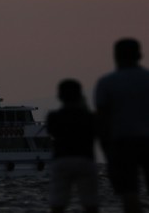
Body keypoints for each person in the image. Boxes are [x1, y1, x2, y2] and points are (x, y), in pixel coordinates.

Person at [95, 38, 149, 213]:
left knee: (129, 193)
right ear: (140, 55)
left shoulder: (107, 83)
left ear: (115, 56)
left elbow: (102, 121)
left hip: (122, 143)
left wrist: (107, 150)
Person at [47, 79, 99, 213]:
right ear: (80, 95)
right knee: (90, 204)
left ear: (59, 96)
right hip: (85, 159)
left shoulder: (53, 117)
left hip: (61, 160)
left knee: (57, 204)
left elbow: (52, 132)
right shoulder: (89, 117)